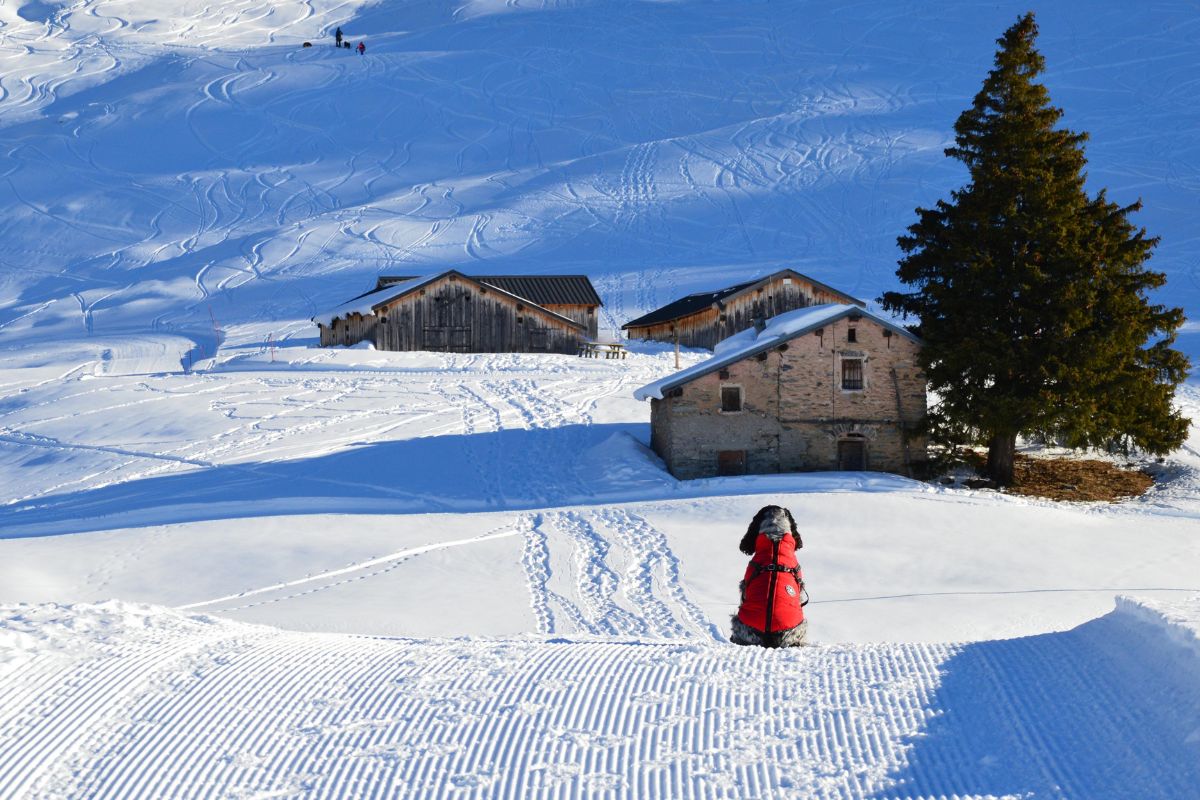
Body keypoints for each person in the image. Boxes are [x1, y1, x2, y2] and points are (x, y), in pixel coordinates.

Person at [730, 505, 808, 647]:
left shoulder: (756, 563)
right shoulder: (793, 564)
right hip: (788, 635)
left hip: (751, 633)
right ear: (789, 529)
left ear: (758, 528)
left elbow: (745, 598)